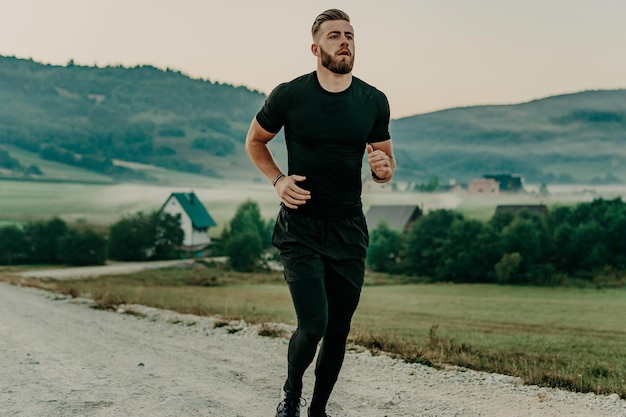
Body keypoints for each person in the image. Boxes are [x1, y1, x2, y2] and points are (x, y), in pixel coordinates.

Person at [244, 8, 395, 417]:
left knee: (339, 329)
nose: (344, 41)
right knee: (314, 324)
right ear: (315, 48)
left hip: (349, 229)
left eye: (349, 35)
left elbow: (384, 162)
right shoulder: (290, 95)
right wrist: (278, 180)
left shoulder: (373, 101)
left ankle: (317, 411)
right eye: (333, 36)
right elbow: (255, 142)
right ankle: (291, 395)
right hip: (301, 227)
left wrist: (383, 170)